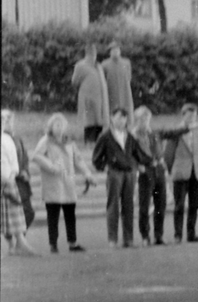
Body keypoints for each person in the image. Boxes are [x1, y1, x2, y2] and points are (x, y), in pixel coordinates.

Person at [31, 113, 100, 252]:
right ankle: (53, 244)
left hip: (68, 182)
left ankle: (72, 243)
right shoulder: (46, 141)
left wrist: (88, 174)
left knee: (70, 214)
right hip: (53, 183)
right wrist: (51, 166)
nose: (60, 128)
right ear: (51, 126)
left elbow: (78, 160)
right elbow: (36, 156)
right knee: (53, 215)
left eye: (62, 125)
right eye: (57, 125)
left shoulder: (69, 141)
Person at [92, 107, 154, 248]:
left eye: (124, 118)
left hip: (129, 173)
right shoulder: (106, 136)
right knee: (113, 206)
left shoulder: (129, 136)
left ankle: (128, 239)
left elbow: (138, 153)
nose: (121, 121)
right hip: (114, 173)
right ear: (112, 118)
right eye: (119, 117)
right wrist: (105, 167)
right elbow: (96, 158)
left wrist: (149, 161)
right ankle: (112, 239)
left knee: (129, 206)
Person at [162, 103, 198, 243]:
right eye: (189, 115)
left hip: (195, 172)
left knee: (194, 205)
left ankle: (191, 234)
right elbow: (168, 152)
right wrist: (170, 170)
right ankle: (178, 235)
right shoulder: (177, 130)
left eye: (194, 116)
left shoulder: (197, 132)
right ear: (183, 115)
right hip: (180, 172)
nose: (192, 118)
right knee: (179, 205)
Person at [1, 109, 38, 256]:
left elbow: (24, 157)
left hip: (19, 180)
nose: (8, 123)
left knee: (27, 211)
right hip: (7, 180)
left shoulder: (15, 138)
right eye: (5, 120)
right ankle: (14, 244)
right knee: (8, 213)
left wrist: (24, 171)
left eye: (10, 120)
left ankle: (19, 243)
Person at [131, 105, 168, 245]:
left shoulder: (153, 133)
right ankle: (145, 235)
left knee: (160, 205)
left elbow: (159, 150)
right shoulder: (133, 136)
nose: (145, 121)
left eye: (147, 118)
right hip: (145, 171)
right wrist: (138, 166)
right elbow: (130, 154)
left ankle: (159, 235)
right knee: (144, 205)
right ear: (137, 120)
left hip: (158, 170)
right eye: (141, 119)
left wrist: (161, 160)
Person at [73, 44, 109, 145]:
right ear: (86, 54)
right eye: (90, 54)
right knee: (88, 119)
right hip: (86, 95)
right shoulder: (80, 65)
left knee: (98, 118)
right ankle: (88, 141)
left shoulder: (98, 66)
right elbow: (75, 81)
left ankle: (97, 140)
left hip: (99, 96)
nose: (93, 56)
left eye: (94, 53)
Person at [101, 42, 135, 120]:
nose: (115, 52)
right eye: (113, 50)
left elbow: (129, 77)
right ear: (110, 52)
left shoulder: (126, 62)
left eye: (117, 50)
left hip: (125, 91)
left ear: (120, 51)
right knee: (112, 111)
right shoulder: (105, 64)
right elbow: (103, 80)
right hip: (111, 92)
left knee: (126, 110)